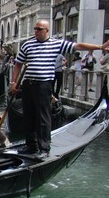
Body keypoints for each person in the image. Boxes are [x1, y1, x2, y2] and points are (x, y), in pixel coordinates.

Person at [10, 19, 109, 156]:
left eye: (39, 29)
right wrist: (13, 82)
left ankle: (44, 148)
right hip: (28, 84)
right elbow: (18, 64)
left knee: (43, 116)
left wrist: (99, 47)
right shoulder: (27, 45)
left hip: (43, 85)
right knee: (29, 116)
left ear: (46, 31)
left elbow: (78, 46)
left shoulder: (57, 44)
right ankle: (31, 146)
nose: (36, 31)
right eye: (35, 29)